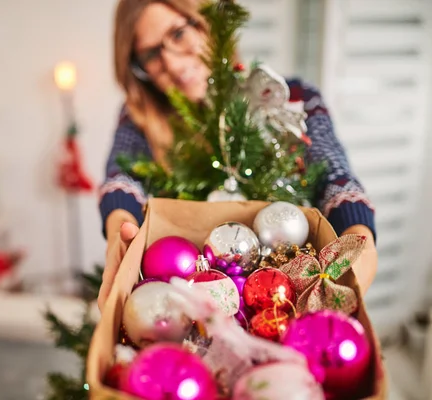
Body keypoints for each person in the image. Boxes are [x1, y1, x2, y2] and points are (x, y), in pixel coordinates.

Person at [97, 0, 378, 310]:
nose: (173, 65)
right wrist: (117, 230)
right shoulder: (141, 117)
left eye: (178, 34)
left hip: (288, 294)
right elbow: (121, 178)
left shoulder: (292, 98)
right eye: (150, 54)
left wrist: (357, 234)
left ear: (207, 22)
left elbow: (335, 175)